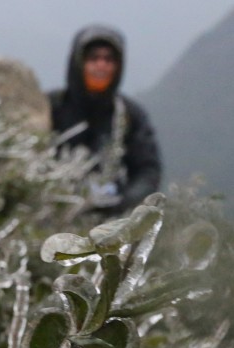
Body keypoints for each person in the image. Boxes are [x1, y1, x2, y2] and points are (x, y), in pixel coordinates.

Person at [49, 25, 162, 216]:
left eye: (109, 59)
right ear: (78, 62)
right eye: (93, 58)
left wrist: (124, 203)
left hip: (110, 225)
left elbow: (148, 169)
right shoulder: (52, 107)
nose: (101, 65)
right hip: (55, 217)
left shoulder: (128, 115)